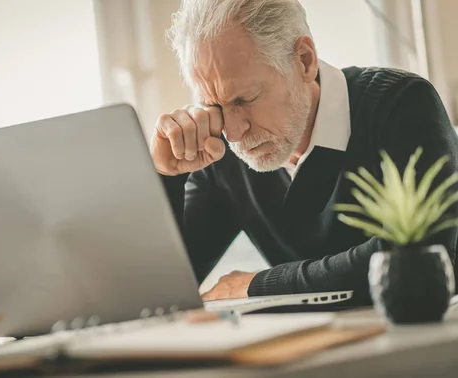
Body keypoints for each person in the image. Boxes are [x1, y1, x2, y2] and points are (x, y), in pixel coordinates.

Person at [151, 0, 458, 304]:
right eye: (214, 105)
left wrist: (264, 285)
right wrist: (167, 176)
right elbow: (158, 290)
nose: (232, 132)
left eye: (244, 99)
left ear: (305, 60)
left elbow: (418, 255)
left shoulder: (401, 103)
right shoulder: (221, 150)